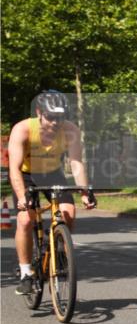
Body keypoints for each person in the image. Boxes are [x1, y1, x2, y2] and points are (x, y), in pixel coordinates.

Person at [8, 90, 96, 295]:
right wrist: (22, 197)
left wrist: (84, 192)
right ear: (39, 112)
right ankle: (26, 273)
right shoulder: (22, 129)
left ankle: (57, 248)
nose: (56, 122)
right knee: (25, 220)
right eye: (51, 117)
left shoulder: (70, 130)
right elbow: (14, 168)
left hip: (52, 173)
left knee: (68, 212)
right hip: (26, 174)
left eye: (60, 117)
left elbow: (76, 163)